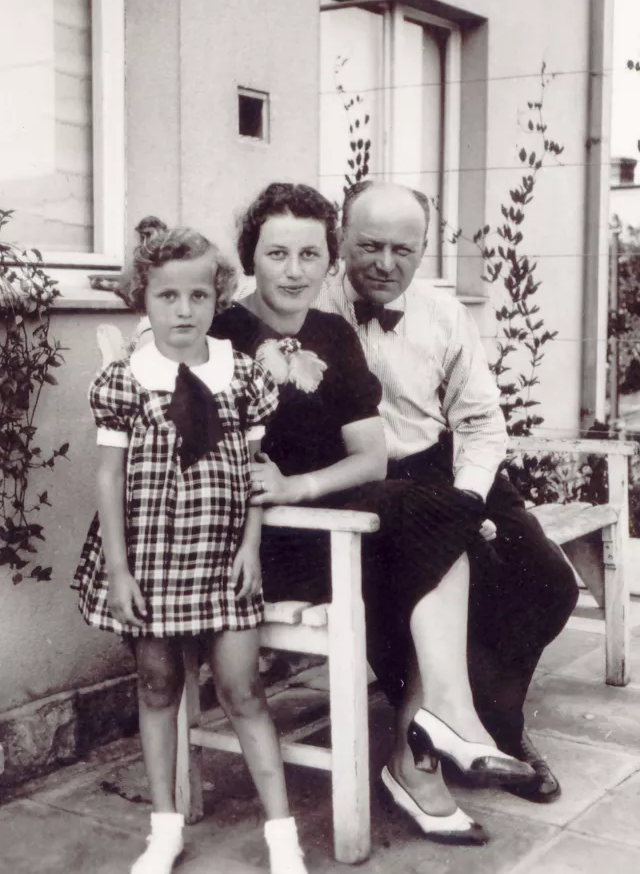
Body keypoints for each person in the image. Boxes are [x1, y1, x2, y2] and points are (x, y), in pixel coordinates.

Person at [211, 181, 536, 848]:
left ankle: (440, 726)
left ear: (327, 261)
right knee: (447, 534)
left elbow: (370, 459)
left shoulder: (333, 333)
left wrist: (297, 485)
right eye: (277, 253)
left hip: (324, 519)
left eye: (309, 254)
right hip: (253, 546)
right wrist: (281, 496)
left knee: (447, 518)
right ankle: (436, 740)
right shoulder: (221, 333)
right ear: (251, 257)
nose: (294, 270)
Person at [316, 179, 580, 811]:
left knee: (545, 577)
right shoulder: (305, 307)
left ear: (426, 247)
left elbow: (483, 423)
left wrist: (466, 500)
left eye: (404, 249)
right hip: (361, 483)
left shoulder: (443, 314)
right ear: (340, 240)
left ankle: (490, 722)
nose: (386, 264)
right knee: (408, 590)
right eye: (369, 245)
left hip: (445, 469)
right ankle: (460, 739)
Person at [73, 221, 308, 874]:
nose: (183, 310)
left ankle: (282, 837)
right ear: (143, 301)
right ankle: (165, 828)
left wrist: (251, 550)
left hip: (222, 557)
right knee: (156, 685)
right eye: (167, 297)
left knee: (243, 689)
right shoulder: (126, 380)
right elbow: (108, 476)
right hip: (148, 561)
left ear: (218, 298)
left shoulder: (241, 377)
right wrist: (119, 570)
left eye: (198, 297)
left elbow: (255, 475)